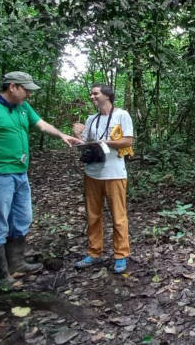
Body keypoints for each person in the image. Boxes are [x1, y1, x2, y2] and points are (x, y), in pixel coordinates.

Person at [0, 71, 83, 279]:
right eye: (26, 90)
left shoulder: (22, 107)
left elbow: (40, 124)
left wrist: (61, 134)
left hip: (20, 174)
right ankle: (0, 274)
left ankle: (16, 263)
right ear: (12, 87)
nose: (29, 94)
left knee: (22, 218)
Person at [72, 84, 134, 273]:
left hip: (114, 173)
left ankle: (121, 255)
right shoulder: (92, 119)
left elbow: (128, 141)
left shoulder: (122, 115)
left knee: (118, 216)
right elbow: (87, 144)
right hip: (93, 173)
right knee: (93, 215)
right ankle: (94, 252)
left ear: (107, 96)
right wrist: (78, 135)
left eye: (95, 93)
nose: (92, 96)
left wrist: (104, 142)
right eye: (91, 93)